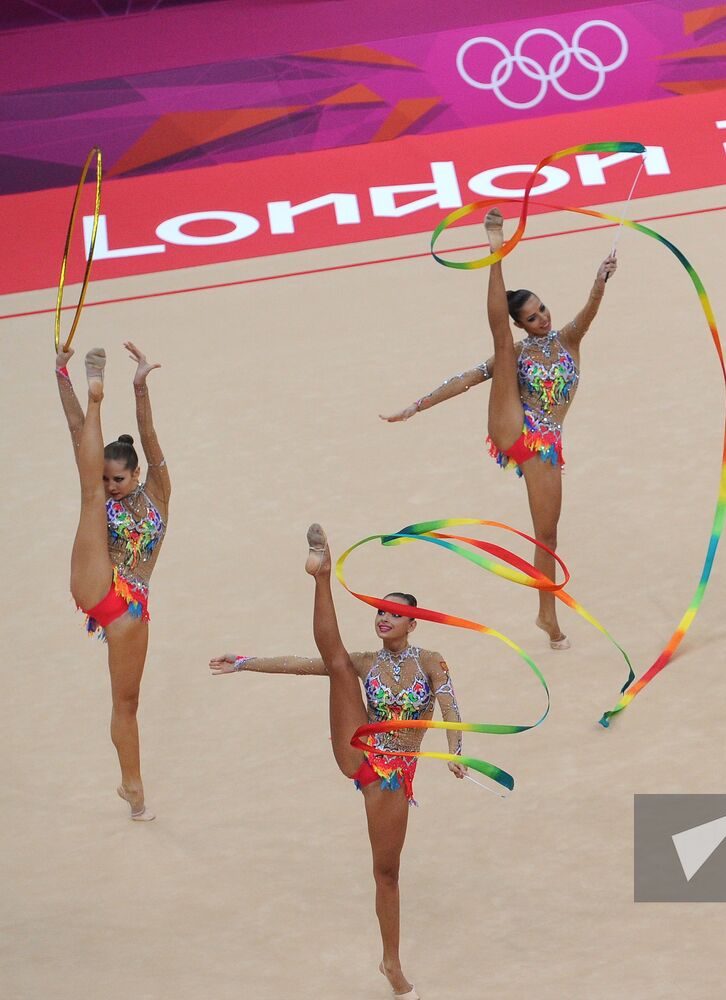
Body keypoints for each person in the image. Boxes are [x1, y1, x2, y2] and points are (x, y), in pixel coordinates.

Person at [210, 524, 466, 1000]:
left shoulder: (432, 661)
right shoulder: (367, 661)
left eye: (394, 613)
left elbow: (450, 704)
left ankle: (390, 962)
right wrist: (246, 661)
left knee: (386, 873)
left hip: (393, 778)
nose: (383, 617)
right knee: (336, 663)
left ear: (415, 622)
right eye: (379, 611)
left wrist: (454, 749)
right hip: (358, 752)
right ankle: (321, 573)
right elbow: (305, 663)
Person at [382, 208, 617, 650]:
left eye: (542, 309)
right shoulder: (516, 349)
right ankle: (496, 250)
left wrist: (600, 279)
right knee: (504, 352)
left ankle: (547, 617)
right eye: (531, 317)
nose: (543, 319)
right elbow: (466, 378)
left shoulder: (569, 340)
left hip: (544, 448)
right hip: (514, 424)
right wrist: (415, 406)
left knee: (547, 536)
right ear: (520, 323)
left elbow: (589, 311)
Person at [56, 341, 169, 821]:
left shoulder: (158, 489)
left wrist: (140, 389)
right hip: (115, 594)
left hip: (121, 610)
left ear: (137, 474)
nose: (109, 486)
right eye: (106, 480)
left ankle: (134, 790)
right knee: (86, 494)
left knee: (126, 705)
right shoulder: (120, 497)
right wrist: (61, 375)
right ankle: (92, 391)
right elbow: (81, 438)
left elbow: (150, 439)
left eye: (117, 480)